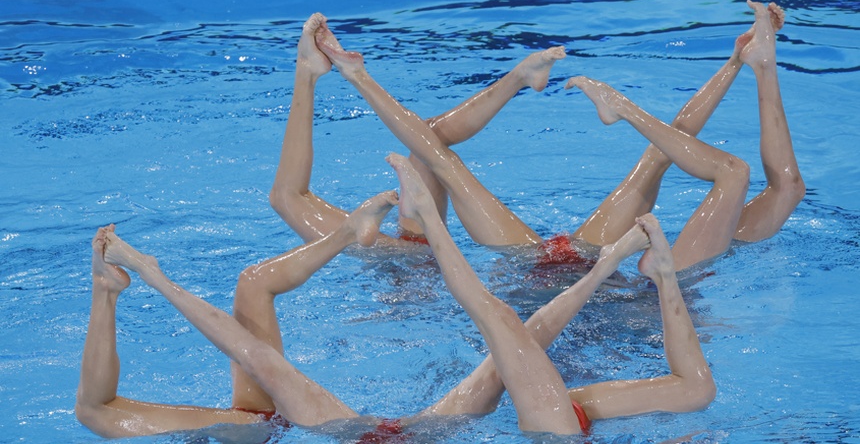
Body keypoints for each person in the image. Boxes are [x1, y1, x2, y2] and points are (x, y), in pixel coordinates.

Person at [76, 154, 715, 438]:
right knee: (511, 339)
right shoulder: (568, 421)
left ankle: (148, 275)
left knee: (509, 336)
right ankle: (607, 266)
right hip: (444, 431)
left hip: (349, 436)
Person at [314, 0, 804, 271]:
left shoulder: (723, 244)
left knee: (442, 160)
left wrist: (742, 61)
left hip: (552, 261)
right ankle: (358, 77)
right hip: (606, 269)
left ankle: (358, 77)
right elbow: (779, 186)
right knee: (664, 160)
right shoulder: (718, 250)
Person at [270, 13, 566, 246]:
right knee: (430, 144)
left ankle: (316, 72)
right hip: (528, 261)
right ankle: (519, 76)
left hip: (419, 266)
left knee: (435, 153)